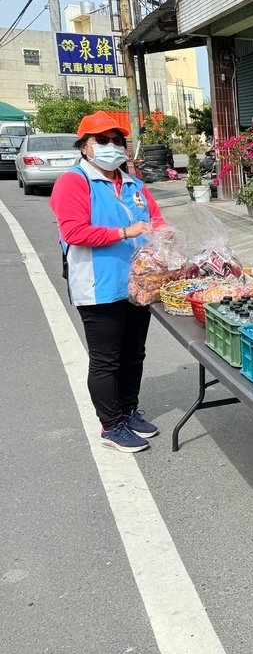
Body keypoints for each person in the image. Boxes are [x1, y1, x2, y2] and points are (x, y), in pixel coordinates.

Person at [50, 111, 166, 452]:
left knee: (135, 353)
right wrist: (124, 232)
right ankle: (111, 425)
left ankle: (129, 412)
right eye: (102, 140)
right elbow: (73, 231)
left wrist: (167, 238)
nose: (111, 147)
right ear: (85, 147)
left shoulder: (134, 184)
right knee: (106, 359)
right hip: (98, 286)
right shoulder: (74, 182)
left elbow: (155, 219)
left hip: (138, 284)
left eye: (117, 141)